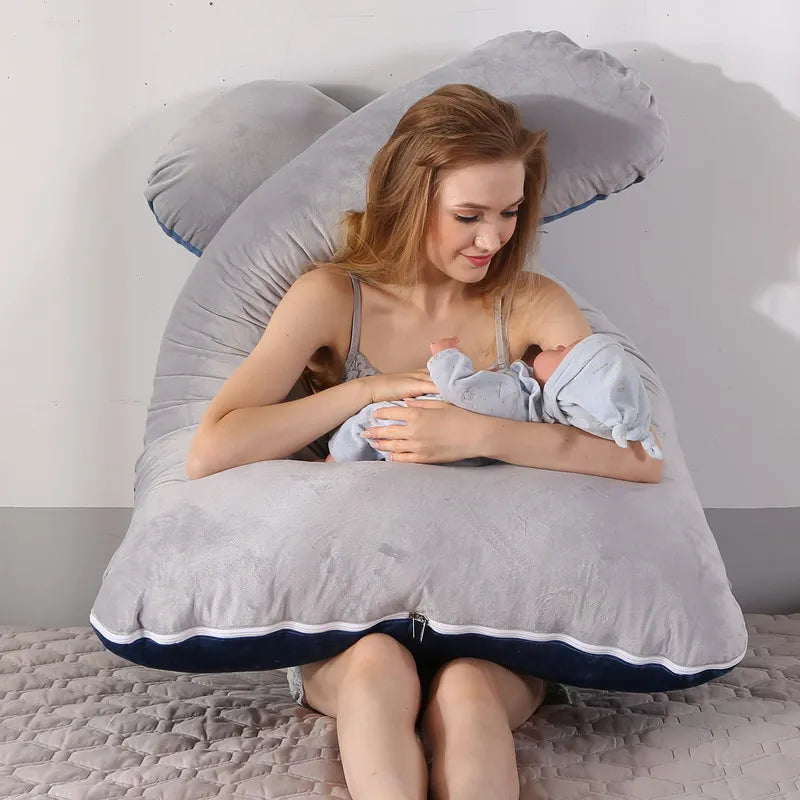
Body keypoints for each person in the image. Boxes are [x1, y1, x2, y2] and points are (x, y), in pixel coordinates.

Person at [186, 83, 664, 800]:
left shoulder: (530, 304)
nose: (493, 240)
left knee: (468, 690)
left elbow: (639, 457)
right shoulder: (331, 298)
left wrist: (481, 433)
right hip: (358, 609)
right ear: (410, 200)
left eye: (510, 212)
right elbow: (213, 449)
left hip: (496, 606)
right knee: (377, 671)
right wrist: (368, 390)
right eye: (469, 216)